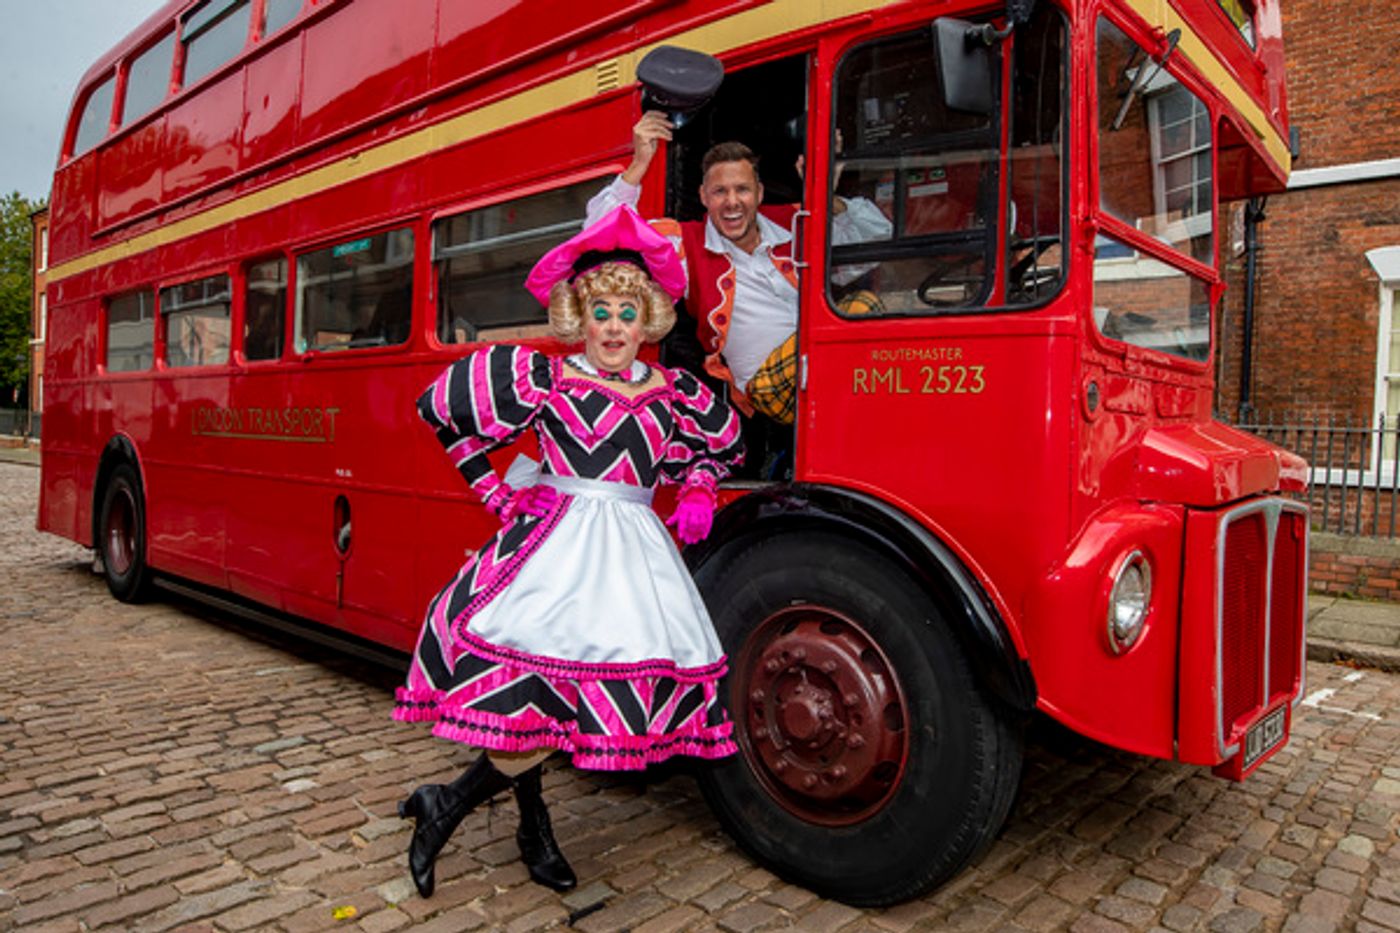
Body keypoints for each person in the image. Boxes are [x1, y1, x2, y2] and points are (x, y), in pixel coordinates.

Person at [393, 204, 744, 898]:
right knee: (533, 705)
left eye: (626, 313)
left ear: (647, 321)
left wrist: (699, 487)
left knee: (561, 707)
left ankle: (491, 815)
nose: (614, 328)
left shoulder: (674, 393)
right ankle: (466, 813)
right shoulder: (545, 379)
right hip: (552, 554)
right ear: (579, 318)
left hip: (633, 567)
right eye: (601, 312)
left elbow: (711, 449)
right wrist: (494, 494)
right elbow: (443, 414)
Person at [586, 112, 892, 426]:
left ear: (758, 193)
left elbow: (878, 239)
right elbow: (598, 234)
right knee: (862, 306)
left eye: (742, 190)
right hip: (767, 384)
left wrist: (826, 192)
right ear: (704, 197)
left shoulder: (796, 220)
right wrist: (639, 164)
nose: (732, 202)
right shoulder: (684, 243)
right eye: (720, 192)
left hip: (823, 368)